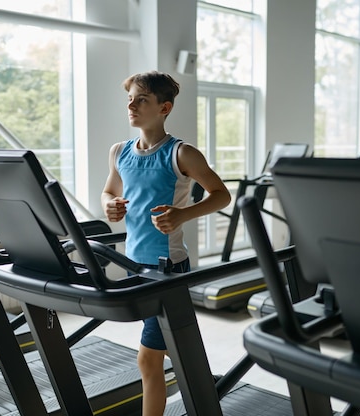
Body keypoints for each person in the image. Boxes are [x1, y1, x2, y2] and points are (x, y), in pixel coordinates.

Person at [101, 70, 231, 416]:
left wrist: (184, 214)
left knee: (147, 358)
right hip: (135, 264)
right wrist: (108, 205)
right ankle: (204, 389)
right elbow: (109, 190)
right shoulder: (120, 151)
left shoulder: (181, 154)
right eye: (130, 98)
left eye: (141, 99)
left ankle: (198, 392)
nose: (132, 105)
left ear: (164, 107)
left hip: (167, 268)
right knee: (171, 350)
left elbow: (222, 196)